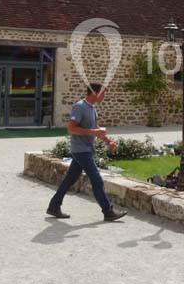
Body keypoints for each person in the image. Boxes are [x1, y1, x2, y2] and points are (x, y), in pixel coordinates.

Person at [46, 83, 127, 221]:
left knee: (69, 180)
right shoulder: (79, 107)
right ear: (94, 93)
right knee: (97, 179)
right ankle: (107, 211)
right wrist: (93, 132)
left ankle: (54, 206)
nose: (104, 96)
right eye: (102, 93)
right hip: (80, 150)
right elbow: (71, 129)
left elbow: (95, 129)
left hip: (85, 149)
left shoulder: (92, 108)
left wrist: (108, 141)